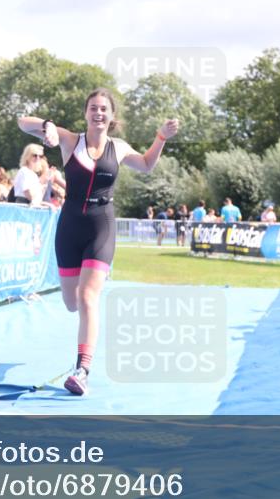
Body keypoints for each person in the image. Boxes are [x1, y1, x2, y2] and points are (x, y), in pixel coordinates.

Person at [18, 88, 178, 395]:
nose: (99, 113)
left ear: (112, 115)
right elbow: (23, 122)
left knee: (89, 297)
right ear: (86, 112)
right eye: (93, 108)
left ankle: (82, 370)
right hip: (69, 226)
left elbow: (146, 165)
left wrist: (161, 138)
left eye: (104, 108)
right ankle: (81, 353)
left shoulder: (117, 148)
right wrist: (48, 126)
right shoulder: (69, 140)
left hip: (101, 225)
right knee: (71, 302)